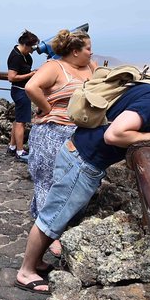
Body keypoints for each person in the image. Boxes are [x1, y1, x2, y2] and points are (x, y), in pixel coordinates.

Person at [15, 59, 150, 294]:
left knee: (57, 215)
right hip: (82, 161)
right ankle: (26, 272)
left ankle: (35, 262)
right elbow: (114, 134)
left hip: (79, 153)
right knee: (52, 217)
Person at [24, 29, 97, 257]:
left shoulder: (92, 67)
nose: (91, 52)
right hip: (52, 134)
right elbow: (30, 87)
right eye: (87, 48)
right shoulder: (54, 67)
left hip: (81, 135)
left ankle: (56, 227)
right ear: (75, 51)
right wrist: (48, 109)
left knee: (73, 183)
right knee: (49, 182)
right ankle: (51, 235)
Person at [6, 30, 40, 162]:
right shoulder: (16, 56)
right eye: (32, 47)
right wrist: (30, 75)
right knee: (21, 122)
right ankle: (20, 151)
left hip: (21, 90)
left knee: (18, 120)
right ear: (25, 45)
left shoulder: (23, 55)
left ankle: (12, 146)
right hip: (20, 91)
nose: (33, 51)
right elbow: (11, 77)